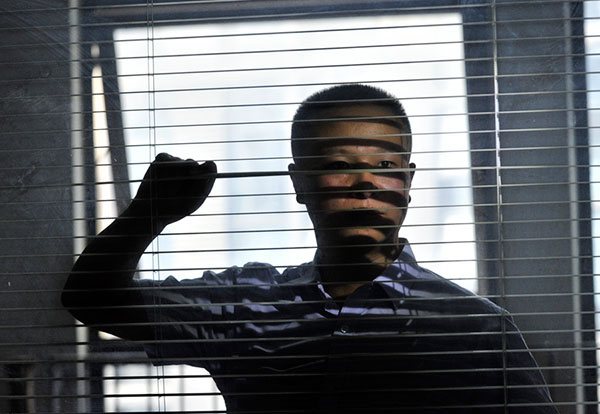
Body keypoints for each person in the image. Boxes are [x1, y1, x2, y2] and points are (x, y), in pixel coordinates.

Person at [62, 84, 558, 413]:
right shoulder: (246, 302)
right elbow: (92, 298)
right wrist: (147, 214)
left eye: (386, 167)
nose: (365, 182)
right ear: (300, 183)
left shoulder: (474, 327)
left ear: (408, 183)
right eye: (339, 165)